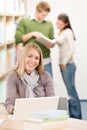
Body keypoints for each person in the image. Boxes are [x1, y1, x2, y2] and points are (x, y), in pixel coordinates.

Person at [5, 43, 55, 114]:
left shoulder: (46, 76)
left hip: (42, 116)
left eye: (37, 58)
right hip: (21, 116)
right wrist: (14, 110)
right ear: (23, 57)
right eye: (30, 56)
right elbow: (9, 103)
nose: (33, 61)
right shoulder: (13, 76)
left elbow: (52, 102)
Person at [15, 1, 55, 75]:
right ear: (37, 10)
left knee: (47, 85)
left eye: (46, 15)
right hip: (29, 62)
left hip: (45, 61)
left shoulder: (49, 24)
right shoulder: (24, 21)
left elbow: (52, 41)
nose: (44, 17)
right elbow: (18, 38)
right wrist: (33, 34)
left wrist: (50, 44)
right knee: (28, 85)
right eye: (43, 15)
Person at [56, 13, 82, 119]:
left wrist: (64, 62)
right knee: (70, 91)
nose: (58, 25)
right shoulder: (60, 31)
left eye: (60, 24)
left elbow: (72, 49)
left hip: (68, 66)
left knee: (72, 92)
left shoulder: (68, 32)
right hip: (63, 65)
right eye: (57, 22)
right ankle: (73, 115)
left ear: (66, 24)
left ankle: (76, 116)